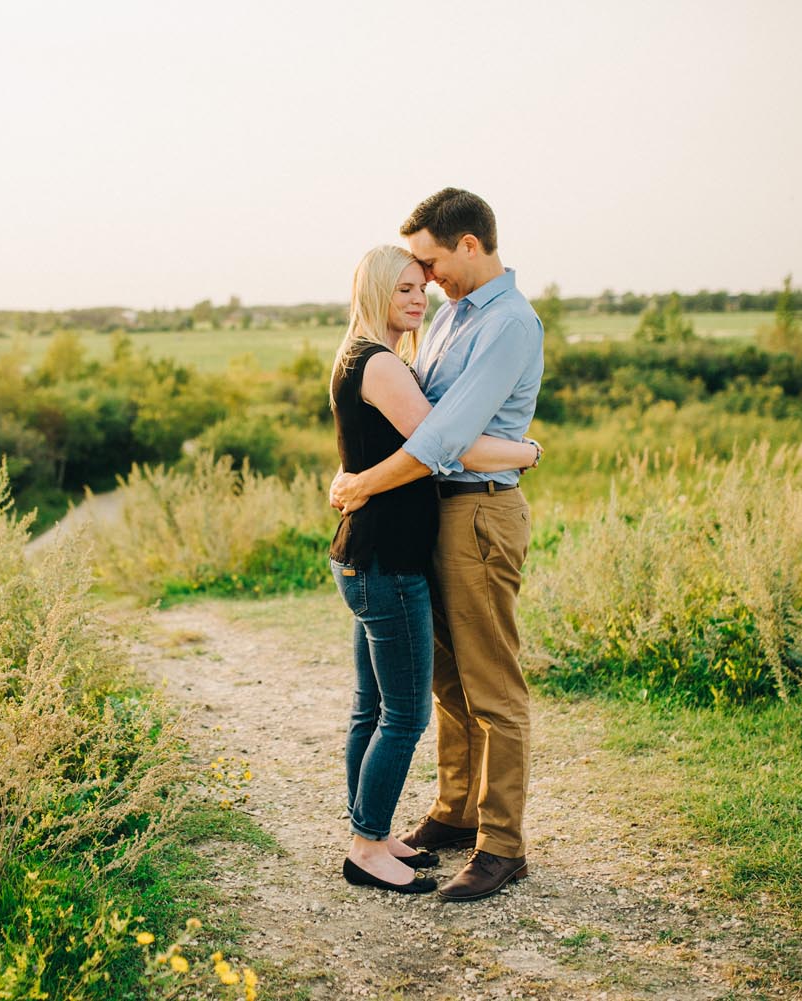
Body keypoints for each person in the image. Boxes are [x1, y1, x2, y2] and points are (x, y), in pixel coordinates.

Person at [331, 189, 544, 902]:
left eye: (429, 262)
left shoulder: (509, 323)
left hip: (479, 514)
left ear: (470, 246)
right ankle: (455, 811)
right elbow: (409, 418)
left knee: (492, 685)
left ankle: (501, 843)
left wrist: (361, 484)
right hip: (435, 514)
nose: (425, 279)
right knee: (446, 681)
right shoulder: (452, 314)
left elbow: (441, 439)